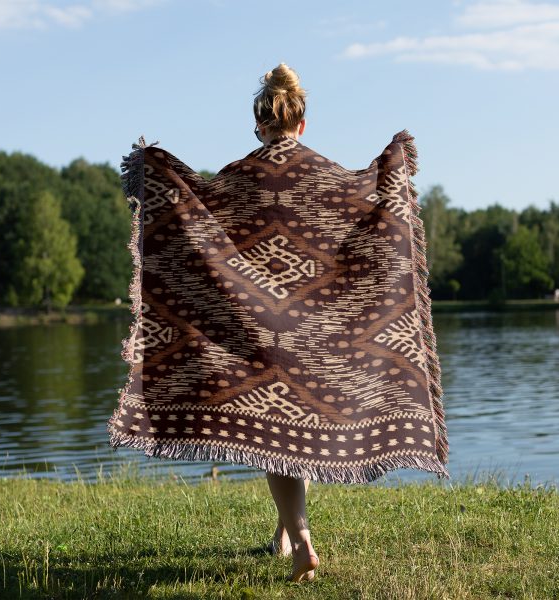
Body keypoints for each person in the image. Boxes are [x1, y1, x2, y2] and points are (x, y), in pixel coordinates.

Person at [253, 62, 319, 583]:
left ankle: (301, 540)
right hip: (314, 325)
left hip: (260, 324)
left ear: (260, 125)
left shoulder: (242, 174)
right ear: (301, 123)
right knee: (293, 430)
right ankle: (282, 532)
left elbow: (200, 225)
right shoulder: (324, 173)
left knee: (274, 436)